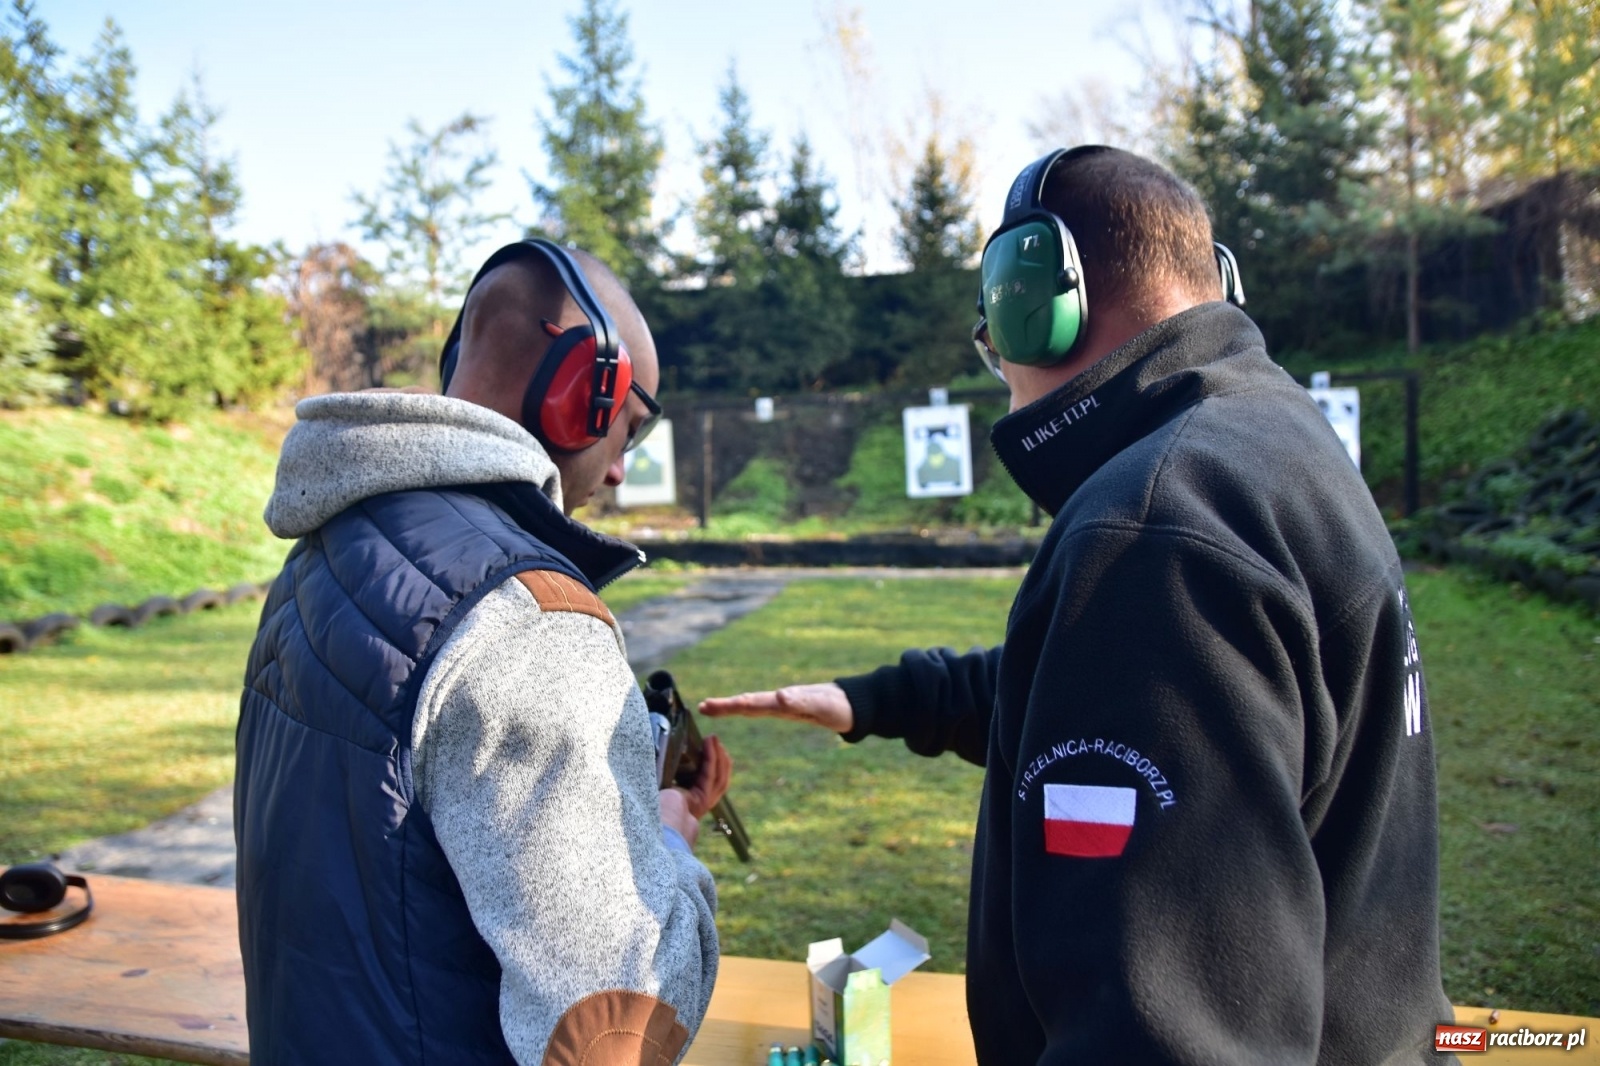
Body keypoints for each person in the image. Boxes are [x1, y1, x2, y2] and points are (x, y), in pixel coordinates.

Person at [702, 147, 1454, 1064]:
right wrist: (882, 699)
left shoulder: (1151, 533)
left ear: (1034, 305)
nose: (1002, 370)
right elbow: (1129, 691)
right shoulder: (1276, 444)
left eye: (995, 340)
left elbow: (1161, 1036)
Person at [236, 239, 730, 1066]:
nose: (617, 475)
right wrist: (668, 836)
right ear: (586, 390)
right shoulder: (532, 621)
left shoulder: (323, 557)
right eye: (629, 430)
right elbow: (614, 1032)